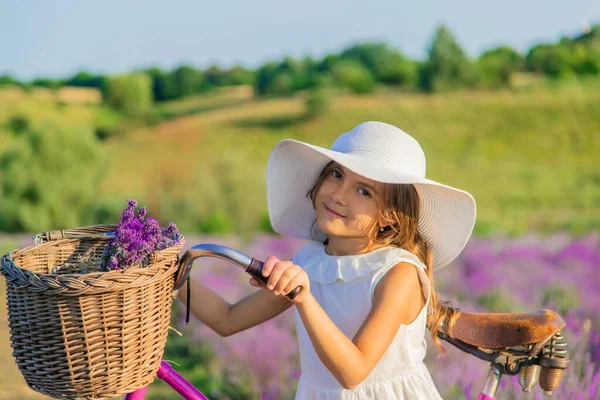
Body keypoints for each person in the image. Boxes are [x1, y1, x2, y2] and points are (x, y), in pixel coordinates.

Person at [178, 121, 476, 399]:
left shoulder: (397, 274)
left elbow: (353, 372)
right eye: (336, 174)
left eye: (363, 191)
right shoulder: (310, 261)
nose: (338, 194)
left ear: (390, 216)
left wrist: (304, 299)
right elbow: (227, 319)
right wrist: (171, 275)